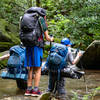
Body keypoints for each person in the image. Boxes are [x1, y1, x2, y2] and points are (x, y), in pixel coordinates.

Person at [24, 7, 54, 96]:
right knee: (38, 68)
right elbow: (47, 37)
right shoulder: (41, 19)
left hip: (27, 44)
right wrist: (51, 39)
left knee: (30, 68)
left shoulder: (25, 17)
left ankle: (28, 90)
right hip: (37, 45)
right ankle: (36, 90)